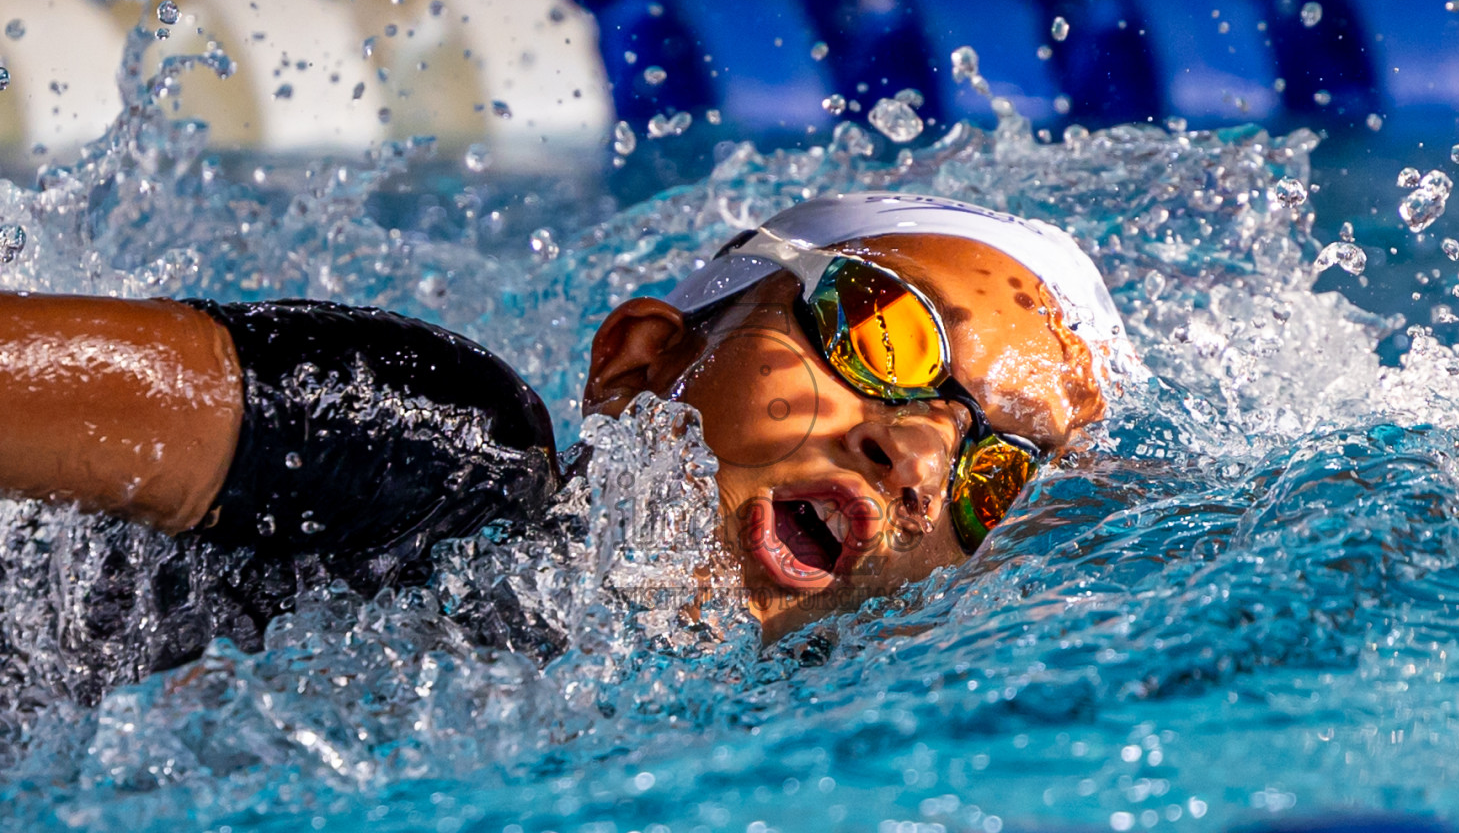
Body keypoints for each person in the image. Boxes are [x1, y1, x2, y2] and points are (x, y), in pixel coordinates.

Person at [0, 191, 1134, 682]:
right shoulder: (427, 447)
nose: (921, 460)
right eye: (882, 335)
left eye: (996, 469)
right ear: (641, 358)